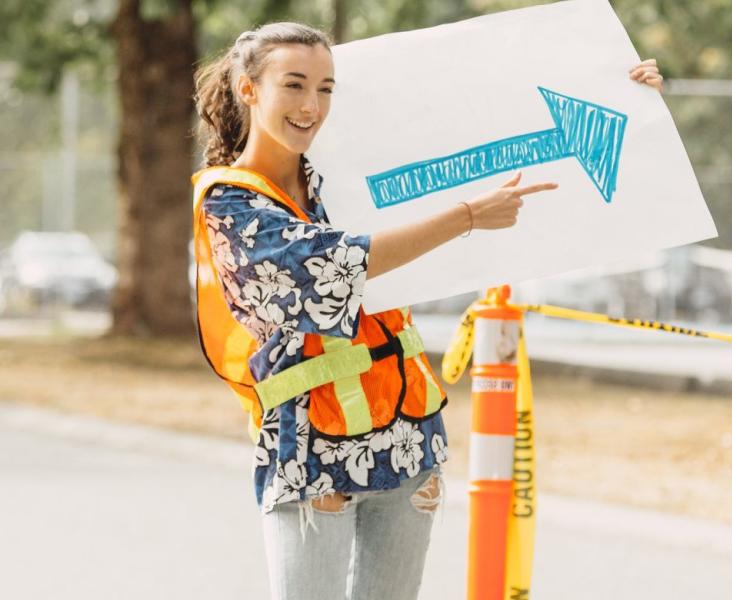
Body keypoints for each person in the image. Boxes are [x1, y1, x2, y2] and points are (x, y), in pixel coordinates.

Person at [193, 21, 662, 600]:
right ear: (248, 88)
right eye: (293, 85)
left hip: (408, 435)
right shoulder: (230, 201)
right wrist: (464, 216)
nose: (312, 105)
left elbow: (486, 145)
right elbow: (327, 268)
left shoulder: (349, 173)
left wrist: (621, 95)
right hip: (309, 450)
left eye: (326, 88)